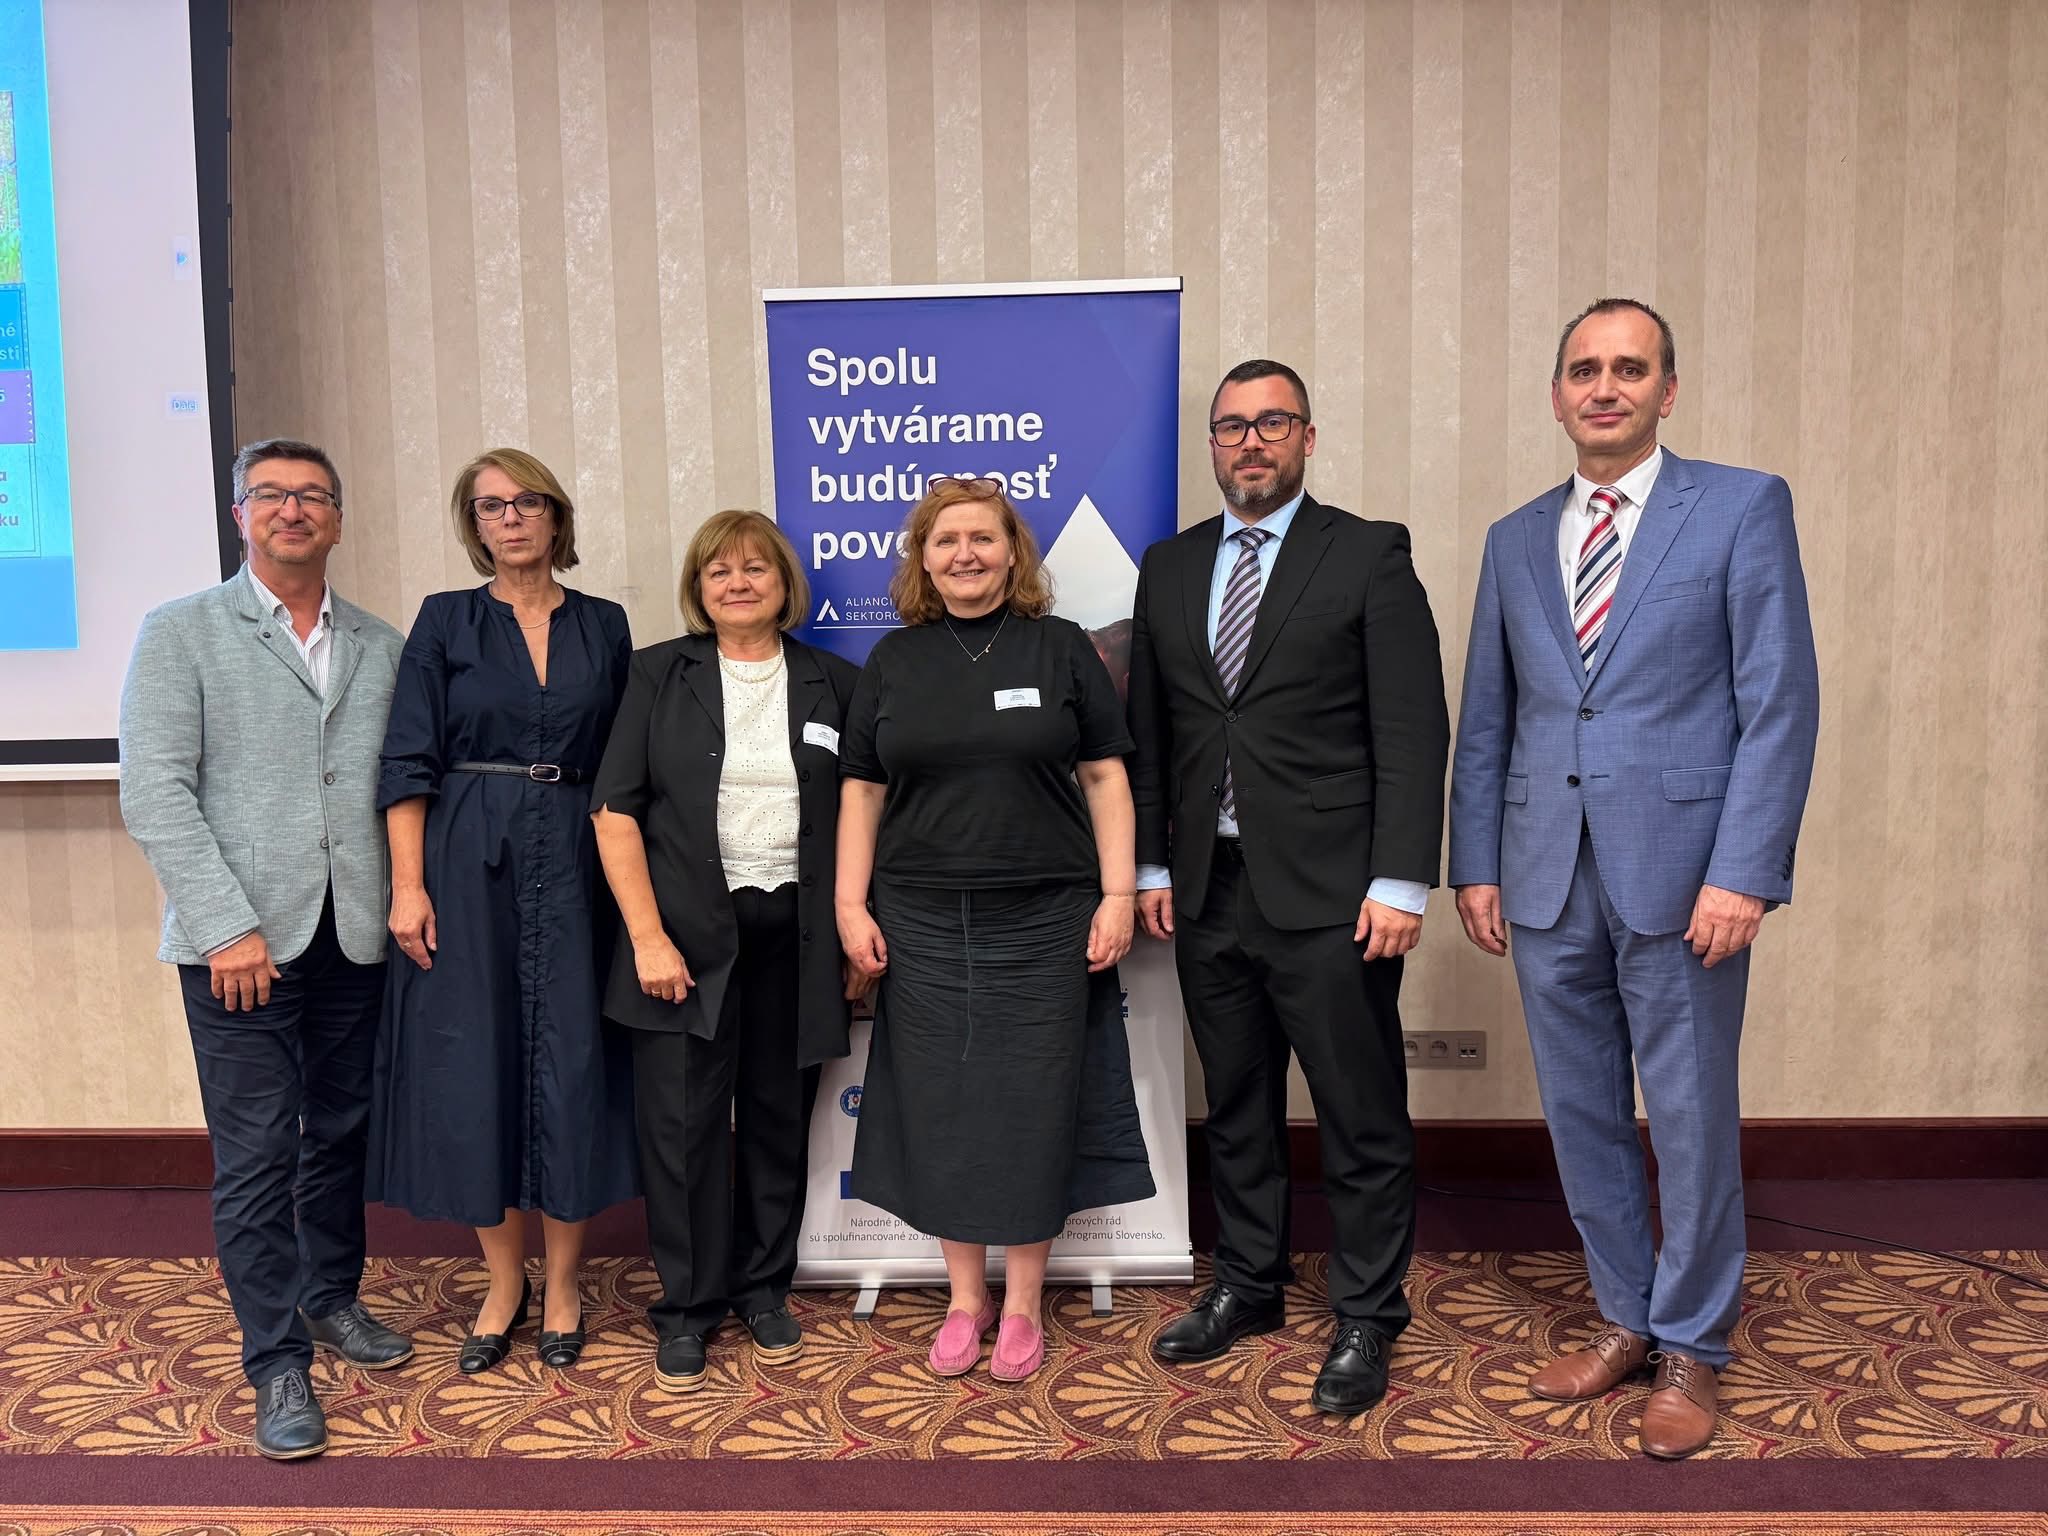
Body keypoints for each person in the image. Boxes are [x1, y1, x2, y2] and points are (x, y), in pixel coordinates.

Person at [1448, 299, 1820, 1459]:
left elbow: (1777, 702)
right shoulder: (1513, 538)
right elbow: (1489, 715)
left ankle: (1693, 1346)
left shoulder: (1740, 507)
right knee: (1580, 1112)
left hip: (1684, 874)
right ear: (1555, 394)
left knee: (1691, 1117)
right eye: (1581, 370)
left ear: (1667, 388)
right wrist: (1473, 863)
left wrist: (1743, 871)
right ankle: (1625, 1316)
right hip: (1542, 873)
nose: (1601, 387)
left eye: (1626, 368)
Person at [1126, 360, 1450, 1417]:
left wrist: (1400, 881)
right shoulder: (1170, 565)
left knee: (1357, 1112)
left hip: (1335, 894)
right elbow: (1151, 732)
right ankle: (1249, 1285)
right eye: (1232, 427)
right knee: (1235, 1107)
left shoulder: (1367, 553)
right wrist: (1150, 864)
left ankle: (1367, 1313)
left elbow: (1412, 729)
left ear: (1307, 437)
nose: (1250, 442)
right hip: (1207, 887)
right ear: (1213, 445)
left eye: (1272, 423)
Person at [119, 438, 411, 1459]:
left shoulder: (380, 643)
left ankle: (331, 1298)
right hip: (237, 946)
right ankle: (276, 1360)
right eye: (272, 495)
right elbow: (154, 790)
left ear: (338, 519)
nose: (294, 510)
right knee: (255, 1155)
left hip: (353, 934)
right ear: (240, 513)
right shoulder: (181, 632)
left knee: (340, 1133)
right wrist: (225, 926)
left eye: (313, 496)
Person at [837, 476, 1155, 1384]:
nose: (964, 554)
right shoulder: (894, 659)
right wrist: (850, 905)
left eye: (982, 538)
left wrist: (1118, 893)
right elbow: (862, 789)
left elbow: (1106, 778)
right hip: (921, 919)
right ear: (923, 560)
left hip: (1047, 915)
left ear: (1013, 552)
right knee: (942, 1107)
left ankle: (1020, 1304)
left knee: (1033, 1105)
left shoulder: (1061, 648)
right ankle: (963, 1298)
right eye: (945, 541)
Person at [368, 448, 637, 1375]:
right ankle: (502, 1280)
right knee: (477, 1061)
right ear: (473, 526)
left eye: (526, 502)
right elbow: (407, 759)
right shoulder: (444, 619)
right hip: (466, 853)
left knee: (572, 1061)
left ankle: (564, 1282)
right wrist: (408, 886)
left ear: (557, 516)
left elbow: (628, 760)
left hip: (579, 853)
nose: (510, 518)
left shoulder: (605, 623)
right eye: (490, 507)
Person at [590, 511, 860, 1393]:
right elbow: (615, 811)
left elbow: (866, 815)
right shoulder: (657, 673)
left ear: (785, 584)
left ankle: (763, 1288)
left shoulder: (835, 681)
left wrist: (856, 929)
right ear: (698, 589)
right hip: (682, 943)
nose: (738, 584)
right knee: (683, 1130)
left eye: (755, 569)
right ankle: (688, 1308)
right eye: (719, 571)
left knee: (779, 1120)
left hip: (797, 937)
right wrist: (646, 938)